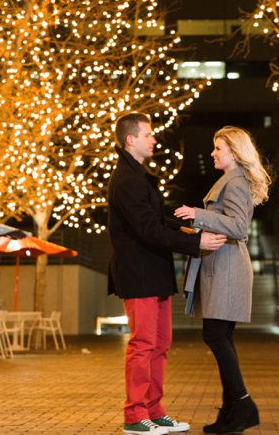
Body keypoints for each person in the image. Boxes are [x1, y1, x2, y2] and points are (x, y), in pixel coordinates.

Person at [108, 112, 227, 435]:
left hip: (155, 272)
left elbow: (157, 221)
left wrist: (190, 233)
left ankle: (154, 410)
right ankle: (134, 416)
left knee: (160, 345)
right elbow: (147, 229)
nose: (154, 139)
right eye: (148, 135)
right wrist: (196, 242)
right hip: (139, 273)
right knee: (143, 345)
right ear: (130, 139)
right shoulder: (126, 180)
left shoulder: (138, 176)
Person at [174, 126, 271, 434]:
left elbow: (239, 227)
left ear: (234, 152)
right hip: (223, 265)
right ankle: (232, 413)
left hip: (228, 268)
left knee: (215, 336)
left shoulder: (237, 182)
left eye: (218, 148)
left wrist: (198, 214)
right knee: (221, 337)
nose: (213, 153)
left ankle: (242, 403)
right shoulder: (230, 180)